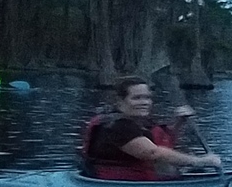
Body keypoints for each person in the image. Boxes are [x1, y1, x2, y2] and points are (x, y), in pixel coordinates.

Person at [81, 76, 223, 181]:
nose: (144, 102)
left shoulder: (134, 120)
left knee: (195, 171)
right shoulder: (119, 125)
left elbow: (161, 142)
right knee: (197, 166)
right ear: (120, 101)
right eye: (137, 98)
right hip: (115, 184)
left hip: (133, 180)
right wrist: (201, 160)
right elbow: (153, 152)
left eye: (147, 98)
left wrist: (179, 122)